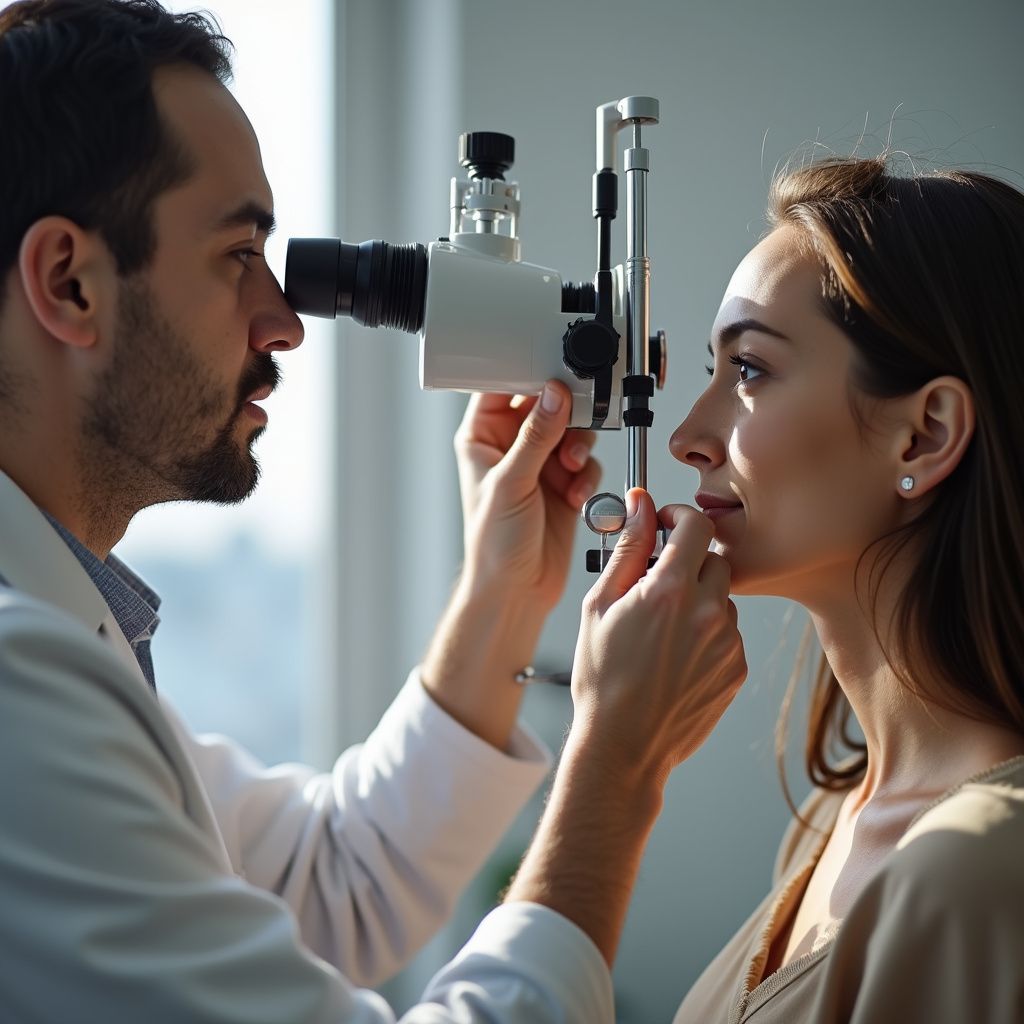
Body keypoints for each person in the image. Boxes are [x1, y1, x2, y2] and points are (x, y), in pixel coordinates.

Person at [0, 2, 744, 1021]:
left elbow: (333, 883)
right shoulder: (19, 694)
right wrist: (616, 768)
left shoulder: (66, 647)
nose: (283, 322)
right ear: (68, 283)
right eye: (236, 254)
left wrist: (501, 596)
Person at [666, 158, 1024, 1022]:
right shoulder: (830, 820)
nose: (688, 437)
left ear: (924, 435)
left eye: (748, 372)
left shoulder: (975, 871)